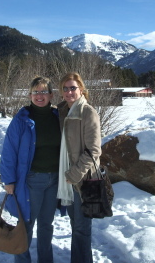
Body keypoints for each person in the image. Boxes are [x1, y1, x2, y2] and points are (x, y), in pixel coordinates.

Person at [0, 76, 61, 263]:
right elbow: (8, 152)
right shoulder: (21, 120)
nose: (39, 96)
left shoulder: (59, 117)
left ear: (51, 94)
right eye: (35, 92)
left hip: (54, 180)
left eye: (43, 91)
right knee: (25, 225)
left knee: (46, 225)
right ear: (29, 95)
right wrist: (9, 180)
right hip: (31, 180)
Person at [57, 72, 102, 263]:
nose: (69, 92)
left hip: (82, 180)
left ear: (81, 89)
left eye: (73, 87)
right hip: (66, 177)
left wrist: (75, 174)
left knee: (82, 230)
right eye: (65, 88)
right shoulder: (61, 111)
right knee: (75, 226)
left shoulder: (87, 112)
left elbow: (94, 151)